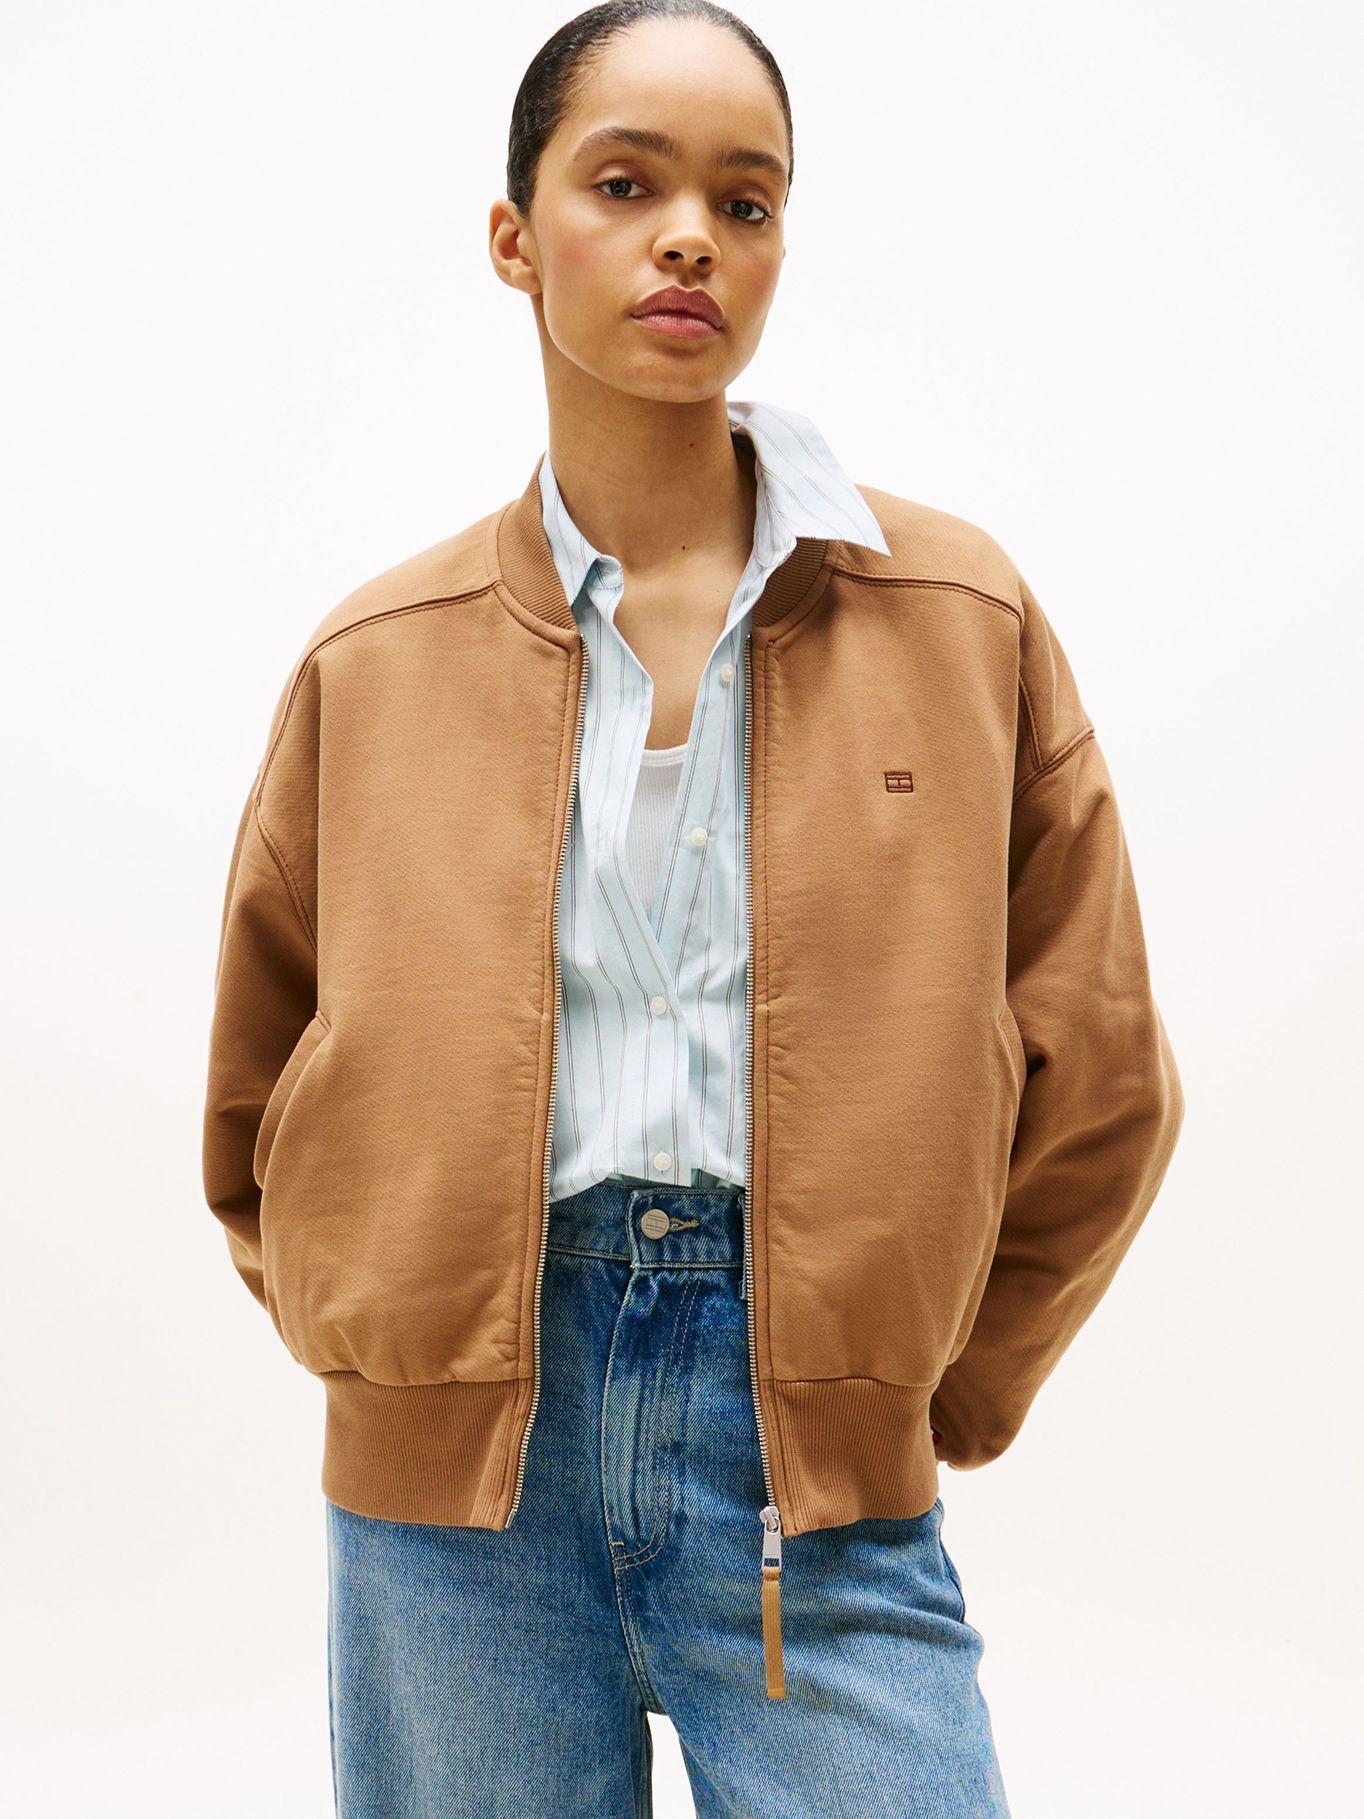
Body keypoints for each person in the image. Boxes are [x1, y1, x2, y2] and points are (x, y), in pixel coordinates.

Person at [202, 3, 1185, 1812]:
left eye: (746, 201)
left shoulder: (956, 619)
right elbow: (259, 1093)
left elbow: (1105, 1074)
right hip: (457, 1505)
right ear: (514, 237)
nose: (690, 240)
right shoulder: (378, 659)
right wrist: (400, 1348)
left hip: (813, 1472)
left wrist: (926, 1391)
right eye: (625, 185)